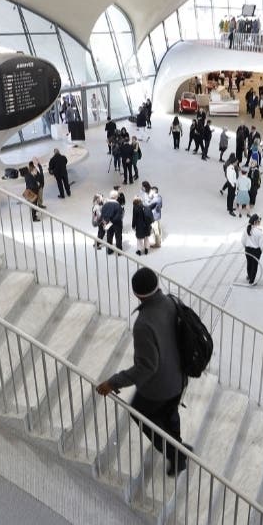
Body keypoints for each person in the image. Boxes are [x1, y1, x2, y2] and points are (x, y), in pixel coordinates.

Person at [97, 267, 190, 476]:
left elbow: (147, 367)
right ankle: (180, 448)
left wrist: (113, 382)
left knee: (141, 414)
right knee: (170, 413)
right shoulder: (170, 302)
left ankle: (176, 454)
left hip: (159, 387)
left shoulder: (143, 324)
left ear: (136, 294)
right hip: (179, 377)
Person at [241, 214, 263, 283]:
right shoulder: (259, 232)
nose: (259, 222)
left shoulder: (246, 230)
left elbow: (242, 241)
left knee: (249, 263)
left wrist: (246, 247)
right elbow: (262, 245)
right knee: (255, 265)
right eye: (259, 221)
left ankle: (249, 275)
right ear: (255, 222)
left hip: (248, 250)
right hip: (256, 251)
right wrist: (260, 251)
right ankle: (252, 280)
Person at [100, 190, 124, 254]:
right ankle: (119, 251)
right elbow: (119, 216)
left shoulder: (105, 205)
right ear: (116, 197)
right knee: (118, 237)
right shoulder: (118, 205)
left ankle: (109, 250)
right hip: (117, 224)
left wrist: (107, 221)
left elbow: (102, 214)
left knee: (109, 237)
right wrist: (112, 221)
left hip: (108, 224)